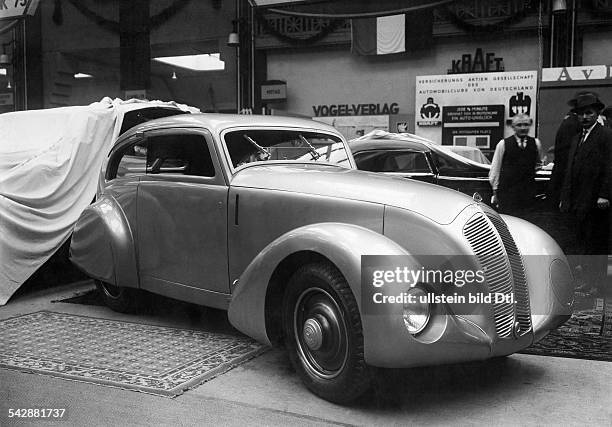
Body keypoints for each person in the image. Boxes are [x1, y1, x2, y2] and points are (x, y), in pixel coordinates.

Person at [560, 92, 611, 295]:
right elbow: (570, 170)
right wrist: (565, 197)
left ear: (597, 113)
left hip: (596, 200)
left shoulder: (606, 135)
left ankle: (598, 284)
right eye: (581, 114)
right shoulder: (577, 138)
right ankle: (588, 281)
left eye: (589, 113)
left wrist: (605, 194)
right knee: (582, 242)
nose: (584, 117)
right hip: (578, 200)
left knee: (596, 243)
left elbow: (610, 167)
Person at [489, 113, 542, 217]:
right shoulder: (503, 144)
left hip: (527, 194)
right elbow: (495, 169)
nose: (523, 128)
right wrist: (495, 192)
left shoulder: (536, 143)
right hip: (507, 194)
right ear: (513, 127)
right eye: (519, 125)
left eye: (526, 125)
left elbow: (537, 164)